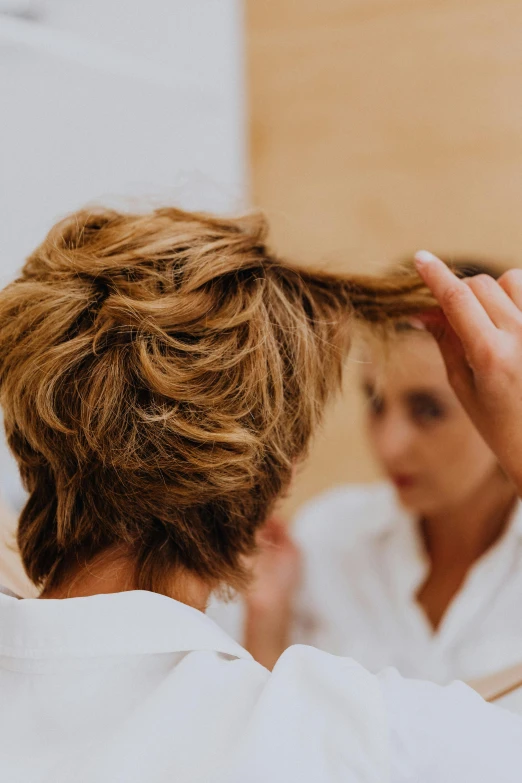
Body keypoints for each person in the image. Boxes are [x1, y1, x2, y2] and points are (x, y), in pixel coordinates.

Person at [0, 209, 522, 783]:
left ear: (29, 429)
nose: (393, 443)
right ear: (282, 469)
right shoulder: (360, 739)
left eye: (427, 410)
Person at [241, 259, 522, 683]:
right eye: (375, 402)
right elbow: (278, 739)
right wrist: (266, 623)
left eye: (428, 410)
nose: (389, 445)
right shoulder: (328, 539)